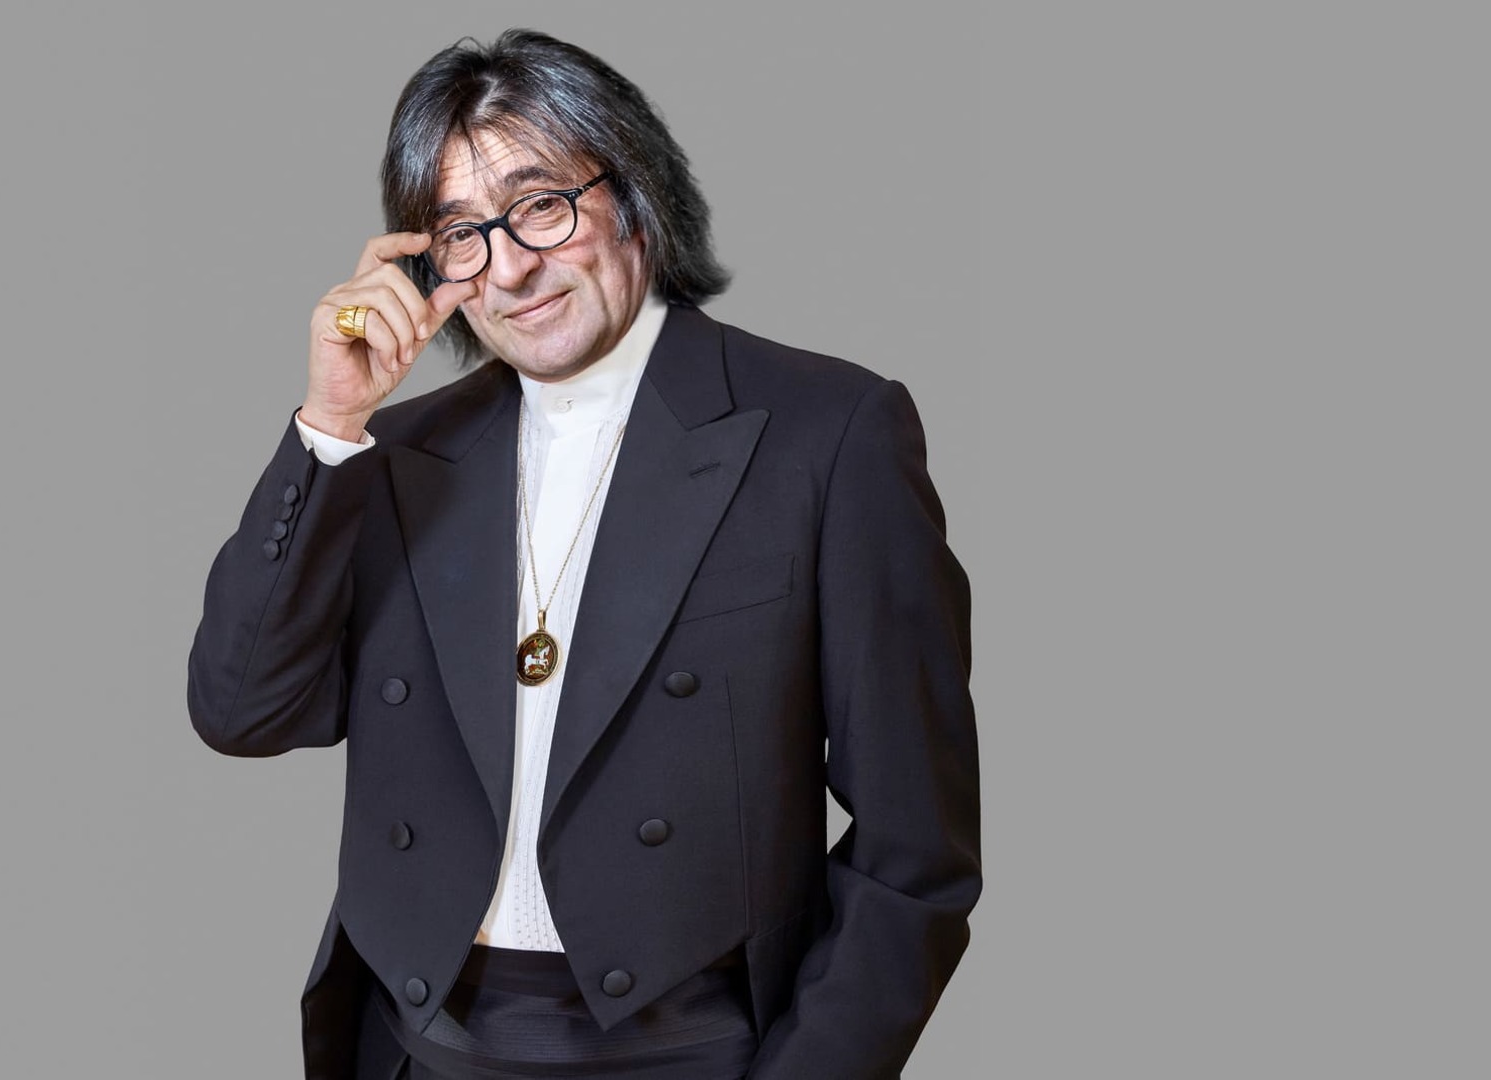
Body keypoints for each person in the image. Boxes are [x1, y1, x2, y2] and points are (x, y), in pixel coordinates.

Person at [187, 29, 979, 1080]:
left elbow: (915, 851)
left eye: (541, 206)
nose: (510, 266)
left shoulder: (827, 432)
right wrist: (330, 426)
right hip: (413, 1049)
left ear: (635, 194)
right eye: (461, 234)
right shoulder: (394, 454)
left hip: (695, 1051)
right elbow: (241, 712)